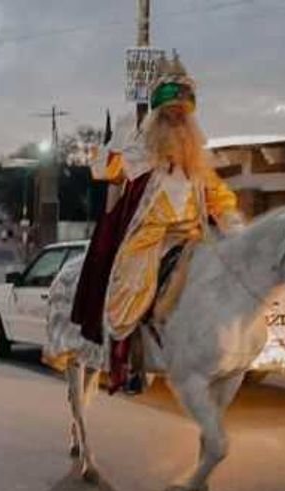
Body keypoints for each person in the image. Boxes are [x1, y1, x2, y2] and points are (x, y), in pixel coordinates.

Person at [70, 53, 245, 394]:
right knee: (130, 288)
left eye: (183, 115)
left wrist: (235, 227)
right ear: (159, 116)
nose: (178, 121)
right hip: (149, 237)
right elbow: (104, 172)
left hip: (194, 235)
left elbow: (219, 197)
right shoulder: (139, 150)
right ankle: (123, 359)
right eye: (171, 114)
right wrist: (117, 143)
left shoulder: (197, 161)